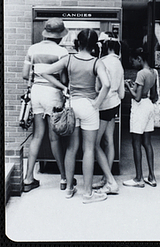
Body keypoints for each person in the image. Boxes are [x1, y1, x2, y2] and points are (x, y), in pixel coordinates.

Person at [41, 29, 111, 204]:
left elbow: (44, 72)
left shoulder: (69, 58)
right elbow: (107, 84)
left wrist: (64, 88)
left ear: (77, 43)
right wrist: (97, 103)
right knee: (89, 149)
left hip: (72, 105)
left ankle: (70, 189)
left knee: (72, 148)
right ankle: (87, 194)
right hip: (88, 106)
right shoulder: (97, 62)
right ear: (94, 45)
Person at [22, 18, 69, 193]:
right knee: (54, 137)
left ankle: (28, 179)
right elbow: (64, 80)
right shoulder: (62, 52)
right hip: (53, 94)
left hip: (36, 93)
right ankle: (64, 178)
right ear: (59, 36)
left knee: (36, 135)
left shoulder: (32, 49)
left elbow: (25, 75)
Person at [92, 32, 125, 193]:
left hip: (104, 105)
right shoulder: (119, 63)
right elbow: (122, 93)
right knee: (108, 141)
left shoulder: (102, 62)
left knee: (94, 144)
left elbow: (98, 88)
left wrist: (95, 103)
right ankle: (106, 178)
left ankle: (110, 182)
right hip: (115, 104)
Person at [123, 48, 158, 188]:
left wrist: (128, 86)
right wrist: (136, 87)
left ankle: (138, 178)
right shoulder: (153, 72)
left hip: (140, 108)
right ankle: (151, 176)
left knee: (136, 142)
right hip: (149, 105)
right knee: (147, 143)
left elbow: (137, 98)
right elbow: (153, 94)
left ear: (139, 59)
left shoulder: (140, 73)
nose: (132, 63)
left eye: (133, 60)